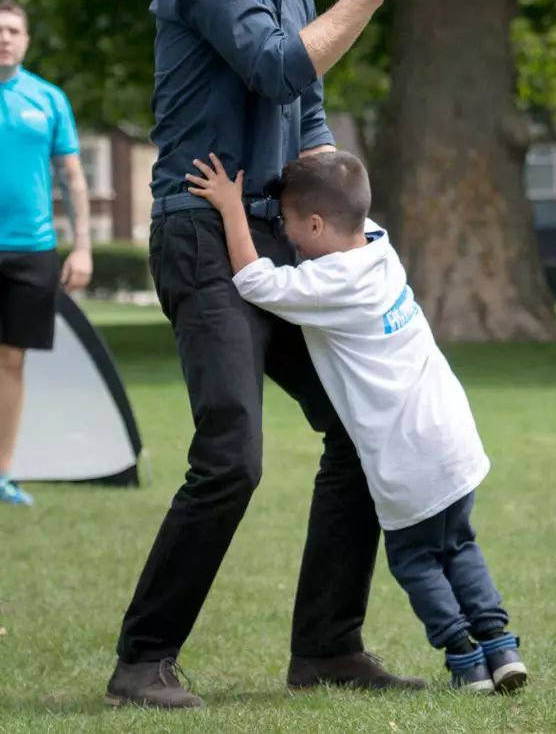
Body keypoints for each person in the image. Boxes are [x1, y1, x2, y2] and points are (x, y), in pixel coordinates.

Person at [106, 0, 455, 710]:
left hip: (284, 238)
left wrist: (347, 236)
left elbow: (304, 114)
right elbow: (276, 65)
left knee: (357, 429)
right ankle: (142, 659)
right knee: (233, 454)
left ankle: (327, 647)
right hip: (201, 232)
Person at [186, 150, 527, 694]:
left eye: (293, 226)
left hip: (406, 454)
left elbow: (254, 281)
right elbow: (347, 201)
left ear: (316, 225)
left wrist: (231, 207)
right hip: (453, 437)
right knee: (460, 546)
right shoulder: (380, 248)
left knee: (416, 560)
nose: (290, 238)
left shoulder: (327, 284)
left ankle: (464, 658)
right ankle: (502, 648)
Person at [0, 0, 93, 507]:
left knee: (12, 362)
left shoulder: (48, 99)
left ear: (26, 40)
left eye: (13, 30)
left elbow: (74, 180)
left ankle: (3, 474)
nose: (5, 37)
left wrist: (82, 248)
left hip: (33, 249)